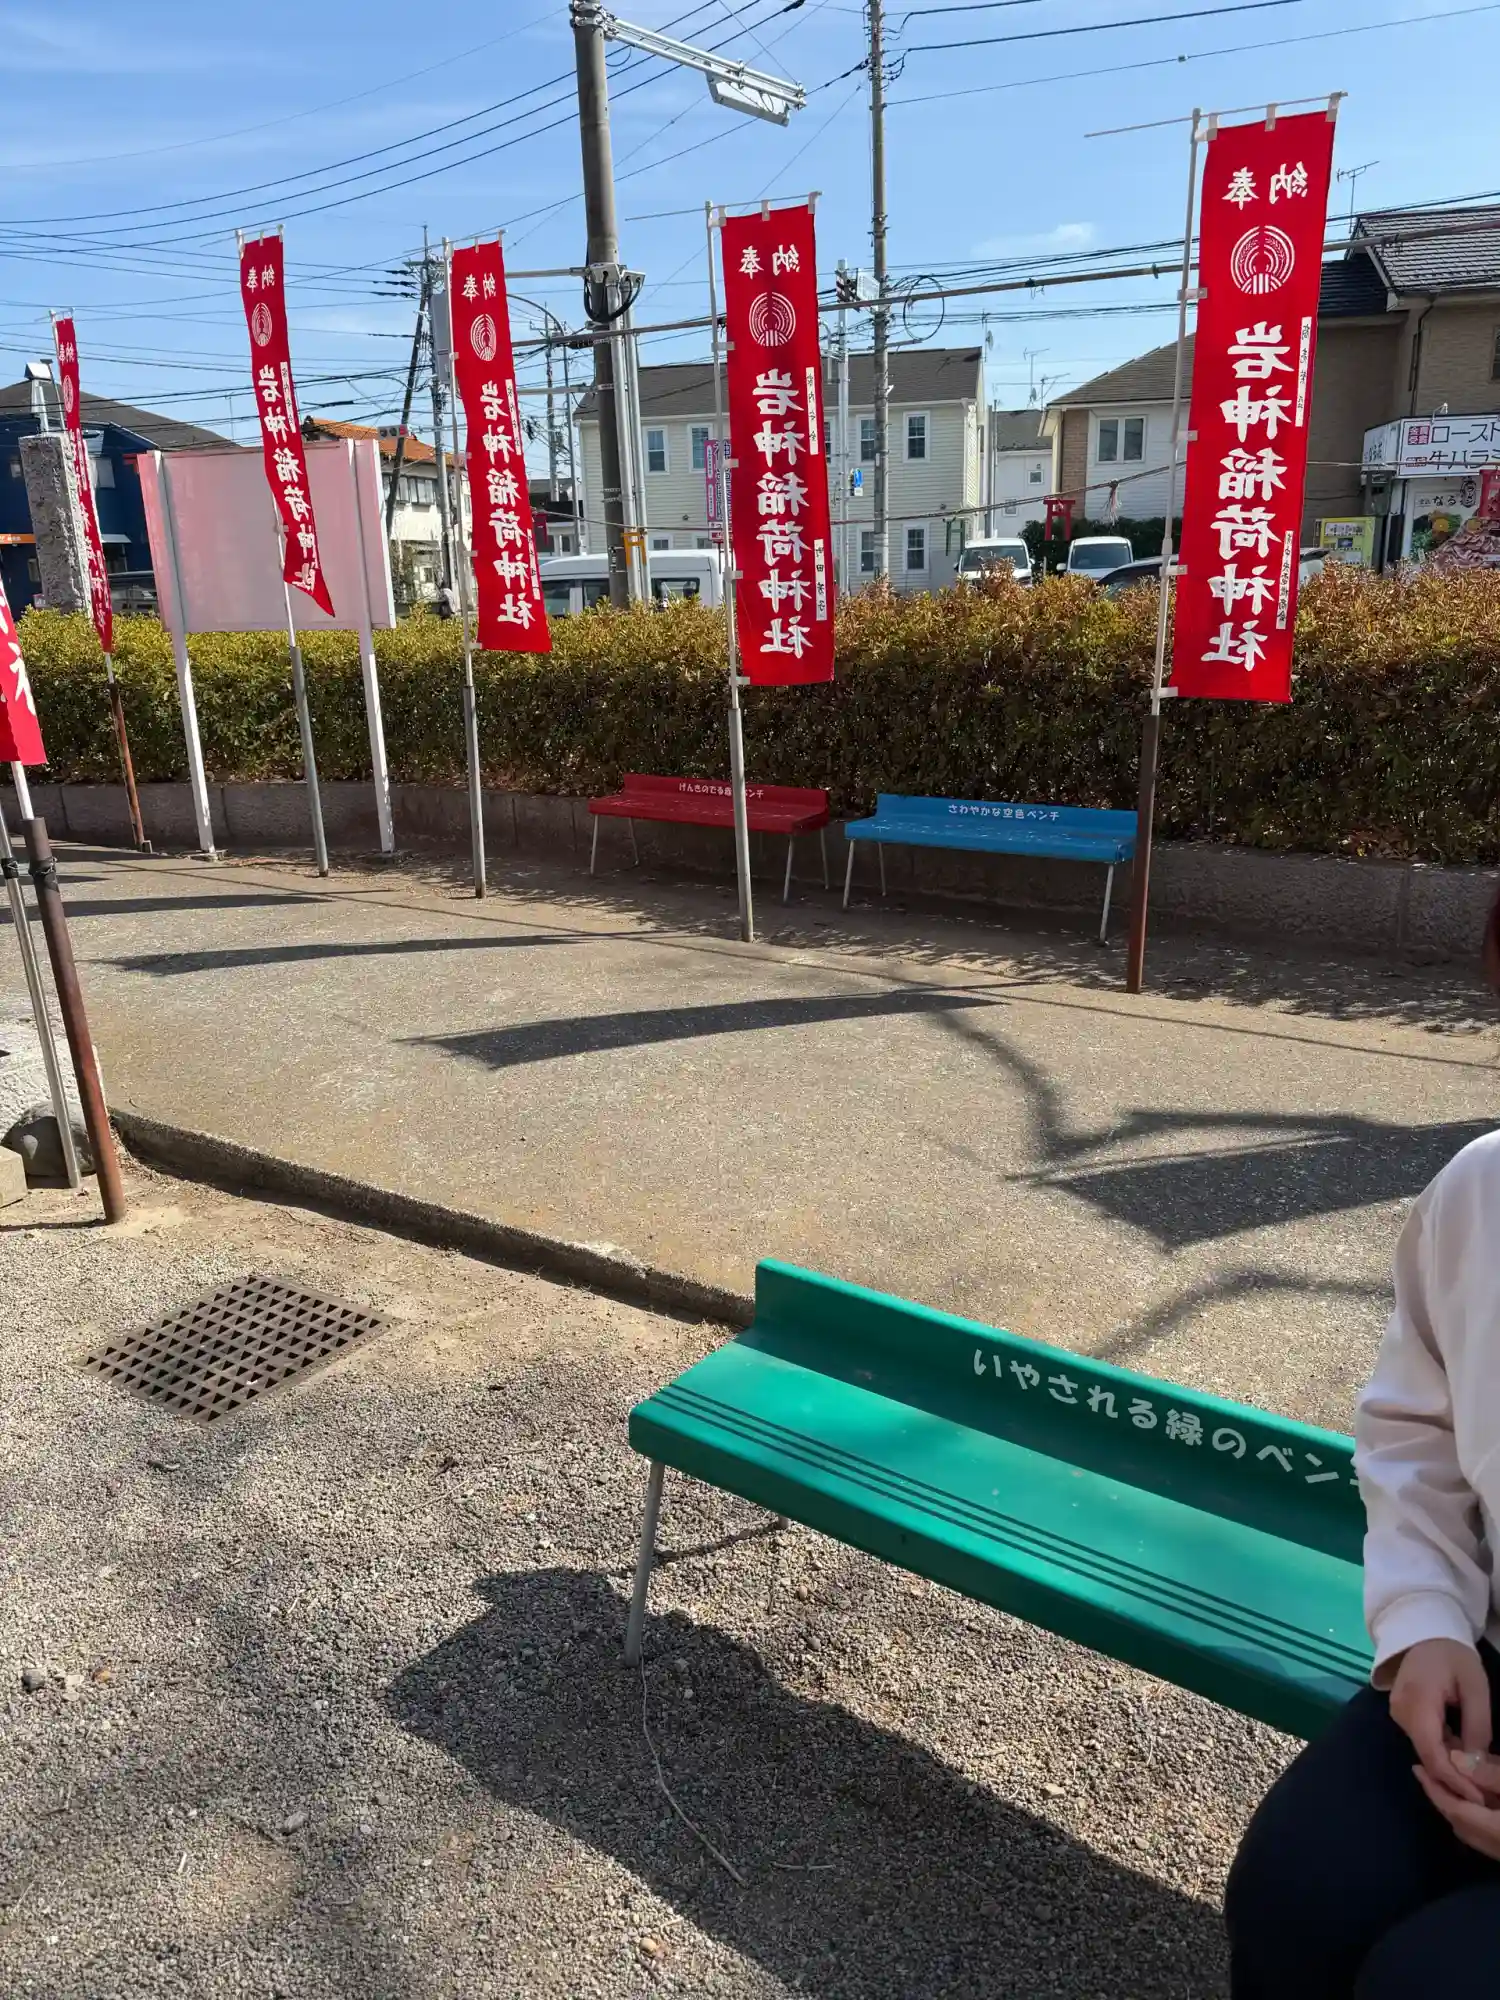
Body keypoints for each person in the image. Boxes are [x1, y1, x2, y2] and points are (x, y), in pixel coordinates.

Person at [1224, 897, 1500, 1993]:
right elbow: (1418, 1428)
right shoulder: (1479, 1194)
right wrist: (1427, 1620)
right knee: (1294, 1887)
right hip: (1483, 1660)